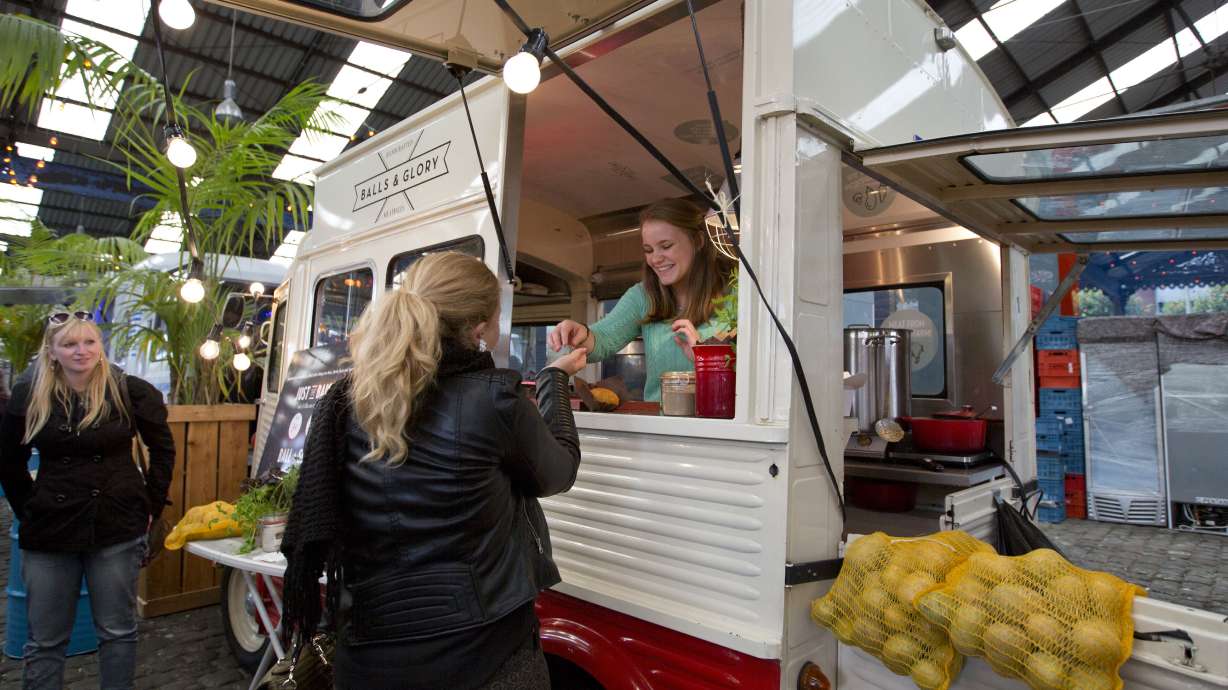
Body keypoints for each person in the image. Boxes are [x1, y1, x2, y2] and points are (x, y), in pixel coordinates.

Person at [280, 252, 587, 690]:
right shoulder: (494, 401)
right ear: (480, 328)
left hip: (367, 655)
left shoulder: (349, 399)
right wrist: (554, 379)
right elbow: (558, 473)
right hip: (483, 654)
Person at [0, 311, 175, 690]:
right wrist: (29, 509)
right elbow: (8, 461)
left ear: (100, 345)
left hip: (116, 523)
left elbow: (162, 448)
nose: (81, 351)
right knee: (45, 641)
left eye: (89, 342)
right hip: (50, 527)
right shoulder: (29, 394)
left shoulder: (129, 389)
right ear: (52, 352)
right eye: (69, 344)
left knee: (117, 632)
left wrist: (151, 505)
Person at [548, 198, 736, 402]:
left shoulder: (738, 293)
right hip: (657, 424)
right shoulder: (642, 296)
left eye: (666, 246)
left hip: (722, 426)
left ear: (698, 241)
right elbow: (602, 339)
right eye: (649, 250)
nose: (655, 259)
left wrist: (704, 358)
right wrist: (581, 333)